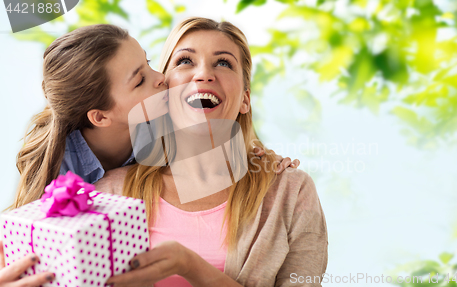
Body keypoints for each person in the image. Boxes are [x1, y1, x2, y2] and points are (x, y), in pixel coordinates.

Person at [1, 24, 298, 287]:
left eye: (149, 63)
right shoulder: (68, 169)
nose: (160, 79)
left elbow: (214, 128)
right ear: (101, 117)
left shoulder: (154, 125)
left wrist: (257, 155)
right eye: (140, 80)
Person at [96, 17, 328, 287]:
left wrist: (190, 266)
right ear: (162, 91)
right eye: (185, 61)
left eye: (223, 63)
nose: (204, 74)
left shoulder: (291, 192)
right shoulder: (110, 193)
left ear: (244, 100)